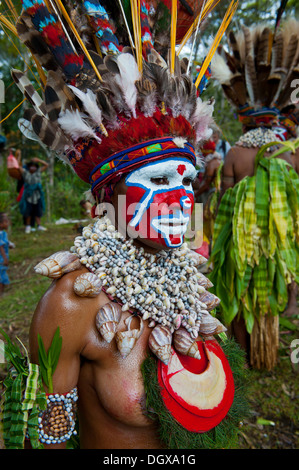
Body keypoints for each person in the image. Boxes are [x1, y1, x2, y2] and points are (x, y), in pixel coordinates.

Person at [1, 0, 247, 450]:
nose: (182, 199)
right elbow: (44, 440)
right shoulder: (71, 306)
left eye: (187, 180)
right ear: (106, 196)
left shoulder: (188, 281)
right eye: (156, 180)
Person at [210, 20, 299, 369]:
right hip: (277, 244)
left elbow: (222, 203)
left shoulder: (234, 154)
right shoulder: (287, 154)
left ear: (245, 121)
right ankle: (266, 352)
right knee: (268, 295)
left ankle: (242, 353)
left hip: (239, 244)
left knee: (241, 292)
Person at [18, 157, 48, 233]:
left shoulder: (38, 172)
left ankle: (39, 225)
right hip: (28, 195)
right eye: (31, 166)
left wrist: (38, 160)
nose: (33, 168)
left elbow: (46, 165)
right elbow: (19, 167)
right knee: (28, 211)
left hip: (37, 195)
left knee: (38, 210)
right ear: (29, 167)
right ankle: (28, 226)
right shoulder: (25, 172)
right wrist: (19, 156)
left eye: (34, 166)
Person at [0, 212, 14, 296]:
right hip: (1, 258)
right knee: (1, 275)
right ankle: (1, 293)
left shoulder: (3, 233)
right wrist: (5, 258)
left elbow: (5, 243)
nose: (8, 223)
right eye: (6, 222)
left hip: (3, 257)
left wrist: (9, 245)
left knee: (2, 272)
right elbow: (0, 247)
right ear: (0, 224)